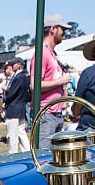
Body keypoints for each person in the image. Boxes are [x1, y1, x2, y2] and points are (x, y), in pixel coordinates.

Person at [30, 13, 73, 149]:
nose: (64, 33)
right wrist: (62, 80)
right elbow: (35, 85)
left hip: (54, 113)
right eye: (62, 29)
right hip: (46, 114)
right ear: (53, 29)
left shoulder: (51, 54)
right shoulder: (42, 53)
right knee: (44, 156)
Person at [3, 57, 31, 153]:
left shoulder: (19, 77)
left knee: (13, 134)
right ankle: (27, 151)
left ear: (19, 65)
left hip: (14, 108)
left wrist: (6, 92)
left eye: (13, 64)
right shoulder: (25, 76)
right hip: (21, 106)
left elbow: (12, 92)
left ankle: (13, 153)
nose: (12, 66)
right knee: (21, 131)